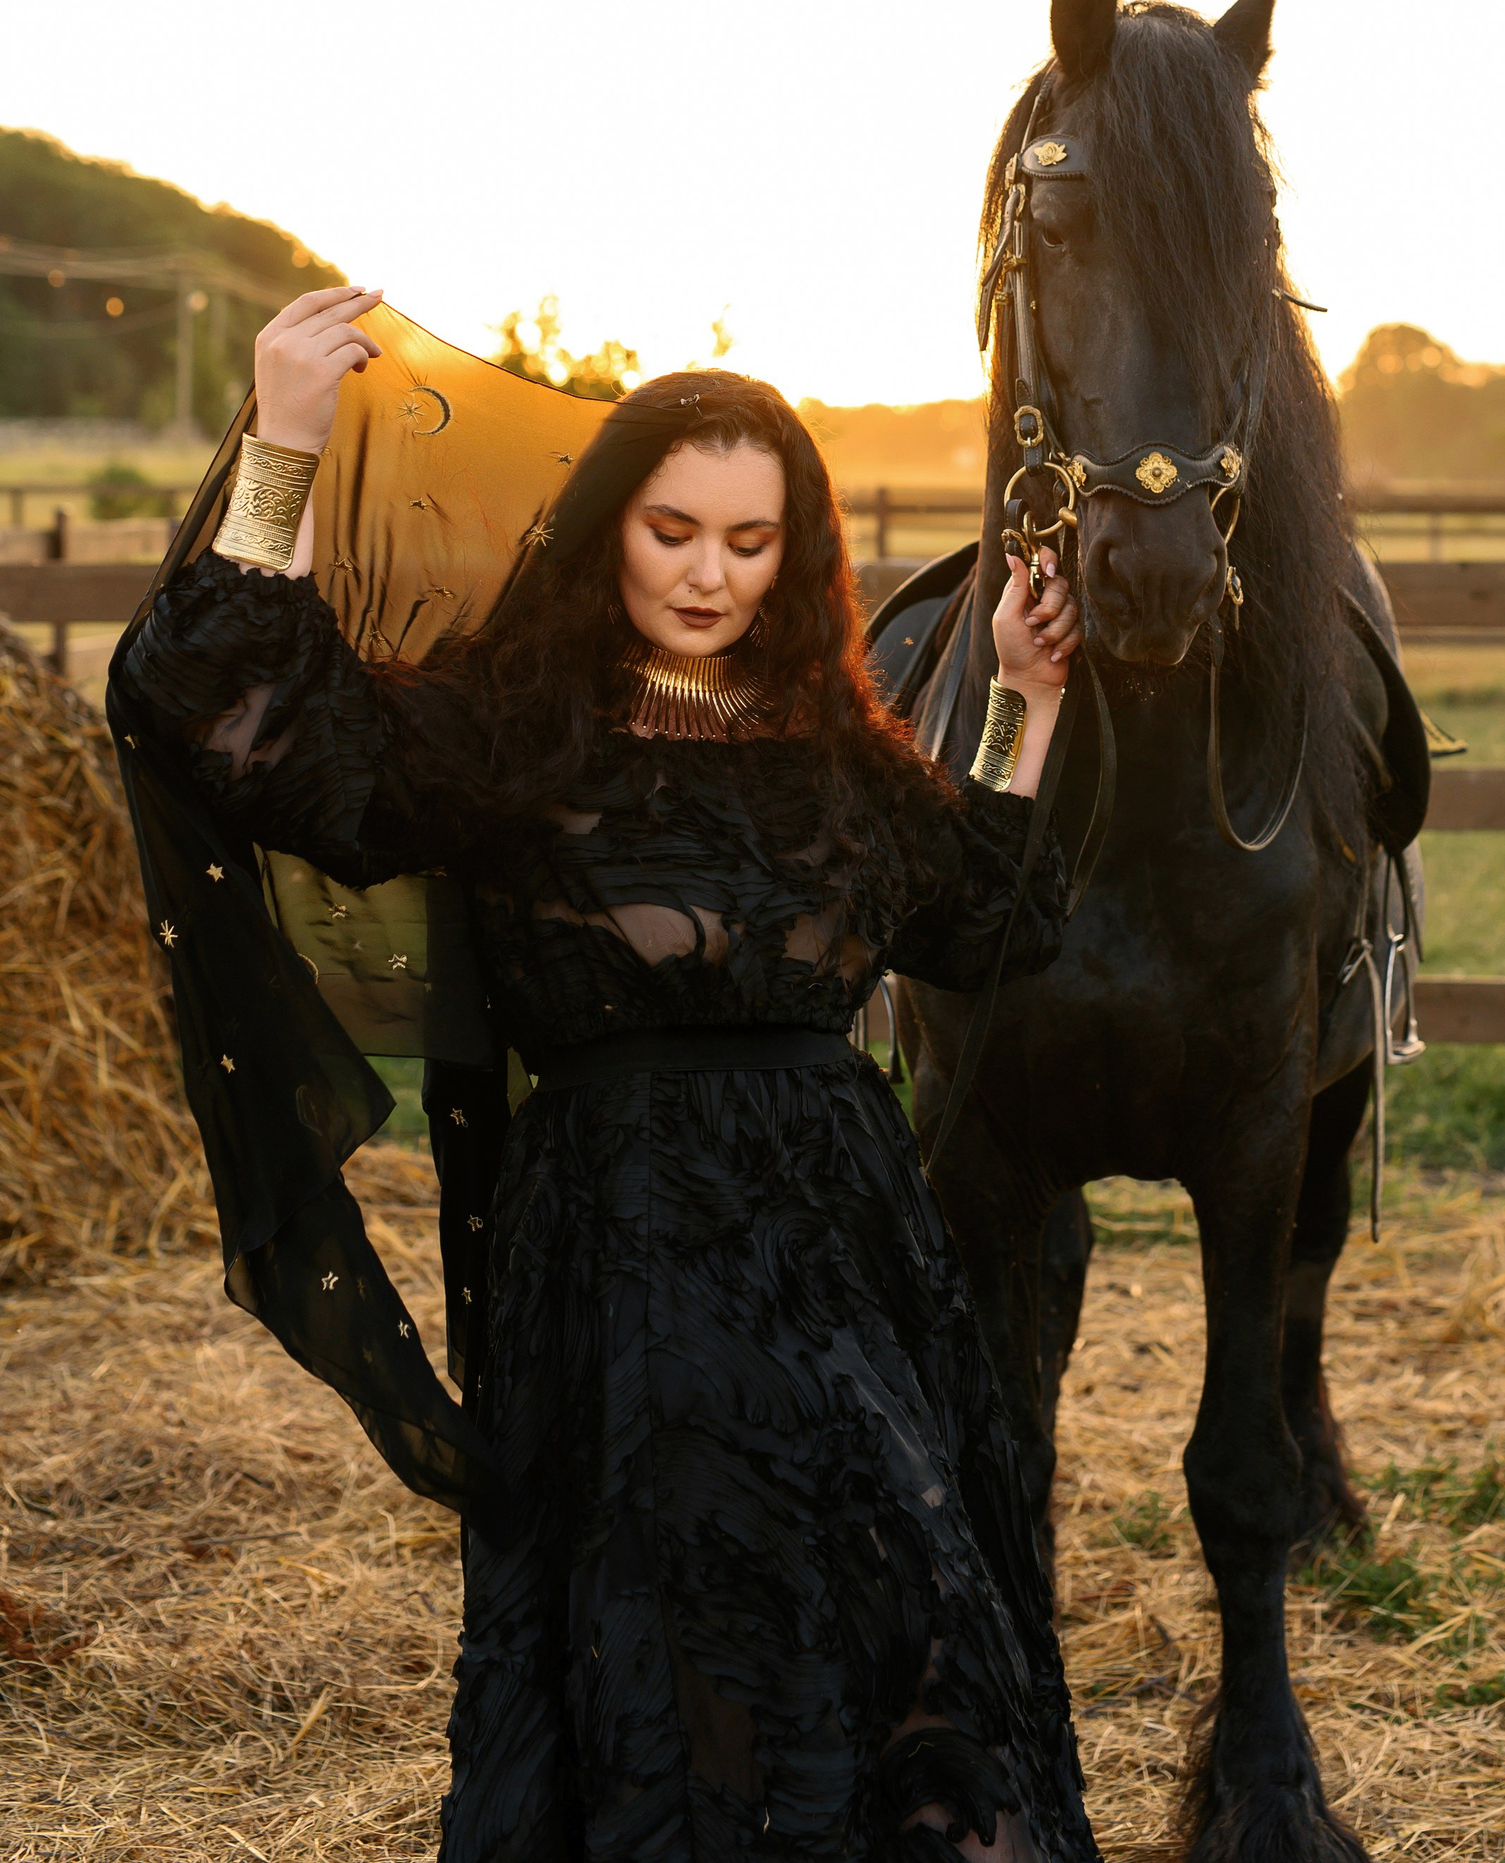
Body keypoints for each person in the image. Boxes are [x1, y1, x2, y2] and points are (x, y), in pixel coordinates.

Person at [115, 285, 1099, 1863]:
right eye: (673, 529)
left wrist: (1024, 704)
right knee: (678, 1638)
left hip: (846, 1247)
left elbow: (988, 916)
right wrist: (285, 443)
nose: (710, 573)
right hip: (625, 1243)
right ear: (608, 531)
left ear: (796, 555)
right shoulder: (508, 734)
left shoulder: (837, 752)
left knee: (919, 1603)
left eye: (750, 541)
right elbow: (243, 728)